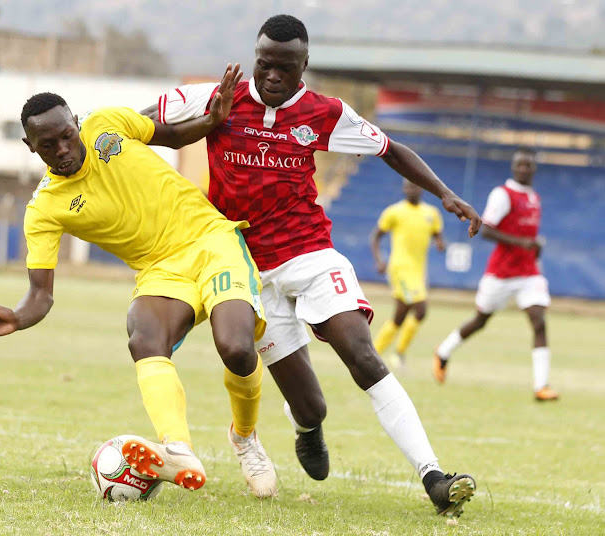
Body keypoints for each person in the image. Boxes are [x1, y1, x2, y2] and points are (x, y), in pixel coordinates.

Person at [144, 14, 481, 517]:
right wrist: (87, 138)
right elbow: (141, 125)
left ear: (305, 65)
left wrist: (446, 194)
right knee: (311, 405)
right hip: (245, 268)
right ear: (254, 58)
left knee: (361, 353)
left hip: (310, 253)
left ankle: (433, 474)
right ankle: (307, 427)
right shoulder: (218, 96)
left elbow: (391, 150)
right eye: (265, 64)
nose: (272, 76)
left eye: (285, 67)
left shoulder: (326, 112)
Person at [0, 65, 279, 498]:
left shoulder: (106, 123)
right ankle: (177, 448)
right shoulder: (44, 209)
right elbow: (41, 294)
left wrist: (212, 120)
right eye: (47, 144)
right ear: (30, 146)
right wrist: (18, 318)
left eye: (66, 135)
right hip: (161, 270)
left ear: (76, 123)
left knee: (236, 347)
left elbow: (168, 135)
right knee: (143, 335)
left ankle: (244, 438)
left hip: (212, 240)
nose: (62, 148)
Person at [434, 148, 558, 402]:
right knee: (480, 320)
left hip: (528, 273)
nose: (524, 169)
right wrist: (520, 242)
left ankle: (541, 387)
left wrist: (534, 247)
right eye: (520, 165)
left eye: (529, 165)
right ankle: (443, 352)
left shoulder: (534, 197)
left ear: (534, 169)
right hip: (501, 273)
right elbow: (487, 230)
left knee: (539, 321)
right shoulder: (503, 194)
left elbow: (528, 236)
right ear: (513, 168)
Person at [370, 180, 445, 369]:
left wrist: (440, 243)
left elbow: (438, 235)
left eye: (415, 185)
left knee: (399, 317)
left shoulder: (432, 214)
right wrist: (379, 260)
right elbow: (376, 236)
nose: (411, 189)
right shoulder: (394, 212)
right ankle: (398, 353)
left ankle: (373, 355)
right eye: (408, 186)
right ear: (403, 189)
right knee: (421, 309)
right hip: (400, 268)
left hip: (419, 271)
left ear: (422, 188)